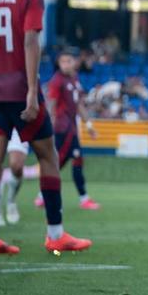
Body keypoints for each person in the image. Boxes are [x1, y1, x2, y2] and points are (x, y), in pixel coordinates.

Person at [0, 0, 91, 255]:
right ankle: (55, 233)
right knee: (48, 157)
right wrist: (30, 90)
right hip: (17, 89)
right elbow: (29, 40)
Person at [45, 51, 100, 210]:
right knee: (59, 163)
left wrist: (88, 125)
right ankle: (80, 199)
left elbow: (79, 105)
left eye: (69, 61)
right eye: (63, 62)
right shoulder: (57, 81)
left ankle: (45, 196)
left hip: (71, 128)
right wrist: (49, 128)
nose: (67, 64)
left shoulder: (74, 79)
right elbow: (52, 105)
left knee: (68, 161)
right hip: (61, 129)